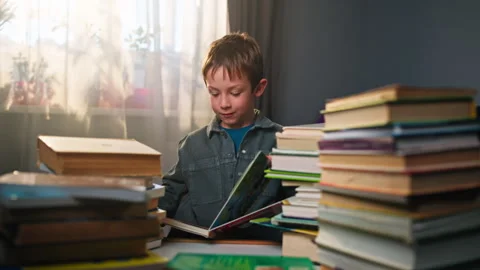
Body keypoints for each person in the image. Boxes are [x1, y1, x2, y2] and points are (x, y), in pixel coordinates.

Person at [158, 32, 288, 239]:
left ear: (259, 88)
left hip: (258, 248)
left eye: (235, 93)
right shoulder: (192, 145)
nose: (224, 103)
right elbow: (167, 195)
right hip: (198, 248)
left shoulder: (283, 141)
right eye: (214, 93)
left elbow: (299, 204)